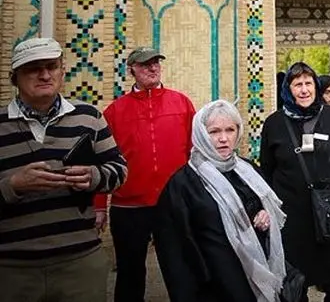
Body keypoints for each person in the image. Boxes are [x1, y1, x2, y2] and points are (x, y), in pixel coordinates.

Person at [0, 37, 128, 302]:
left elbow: (119, 170)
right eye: (34, 68)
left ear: (62, 71)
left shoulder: (88, 116)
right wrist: (12, 186)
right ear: (15, 77)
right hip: (12, 269)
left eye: (52, 66)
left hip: (79, 264)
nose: (45, 75)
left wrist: (93, 177)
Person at [155, 100, 287, 302]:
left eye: (230, 130)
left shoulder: (247, 171)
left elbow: (262, 206)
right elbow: (173, 252)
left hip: (255, 277)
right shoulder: (182, 184)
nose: (223, 139)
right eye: (214, 132)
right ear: (200, 134)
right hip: (214, 286)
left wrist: (265, 215)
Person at [94, 46, 196, 302]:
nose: (152, 68)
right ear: (132, 71)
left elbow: (196, 152)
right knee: (130, 274)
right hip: (129, 207)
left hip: (173, 203)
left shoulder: (181, 103)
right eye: (144, 64)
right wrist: (98, 207)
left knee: (181, 268)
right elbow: (103, 161)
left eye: (155, 63)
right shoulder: (114, 112)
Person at [260, 61, 330, 302]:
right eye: (297, 85)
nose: (304, 90)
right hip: (294, 216)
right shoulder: (274, 124)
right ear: (288, 89)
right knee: (296, 281)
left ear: (315, 86)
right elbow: (267, 169)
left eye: (308, 83)